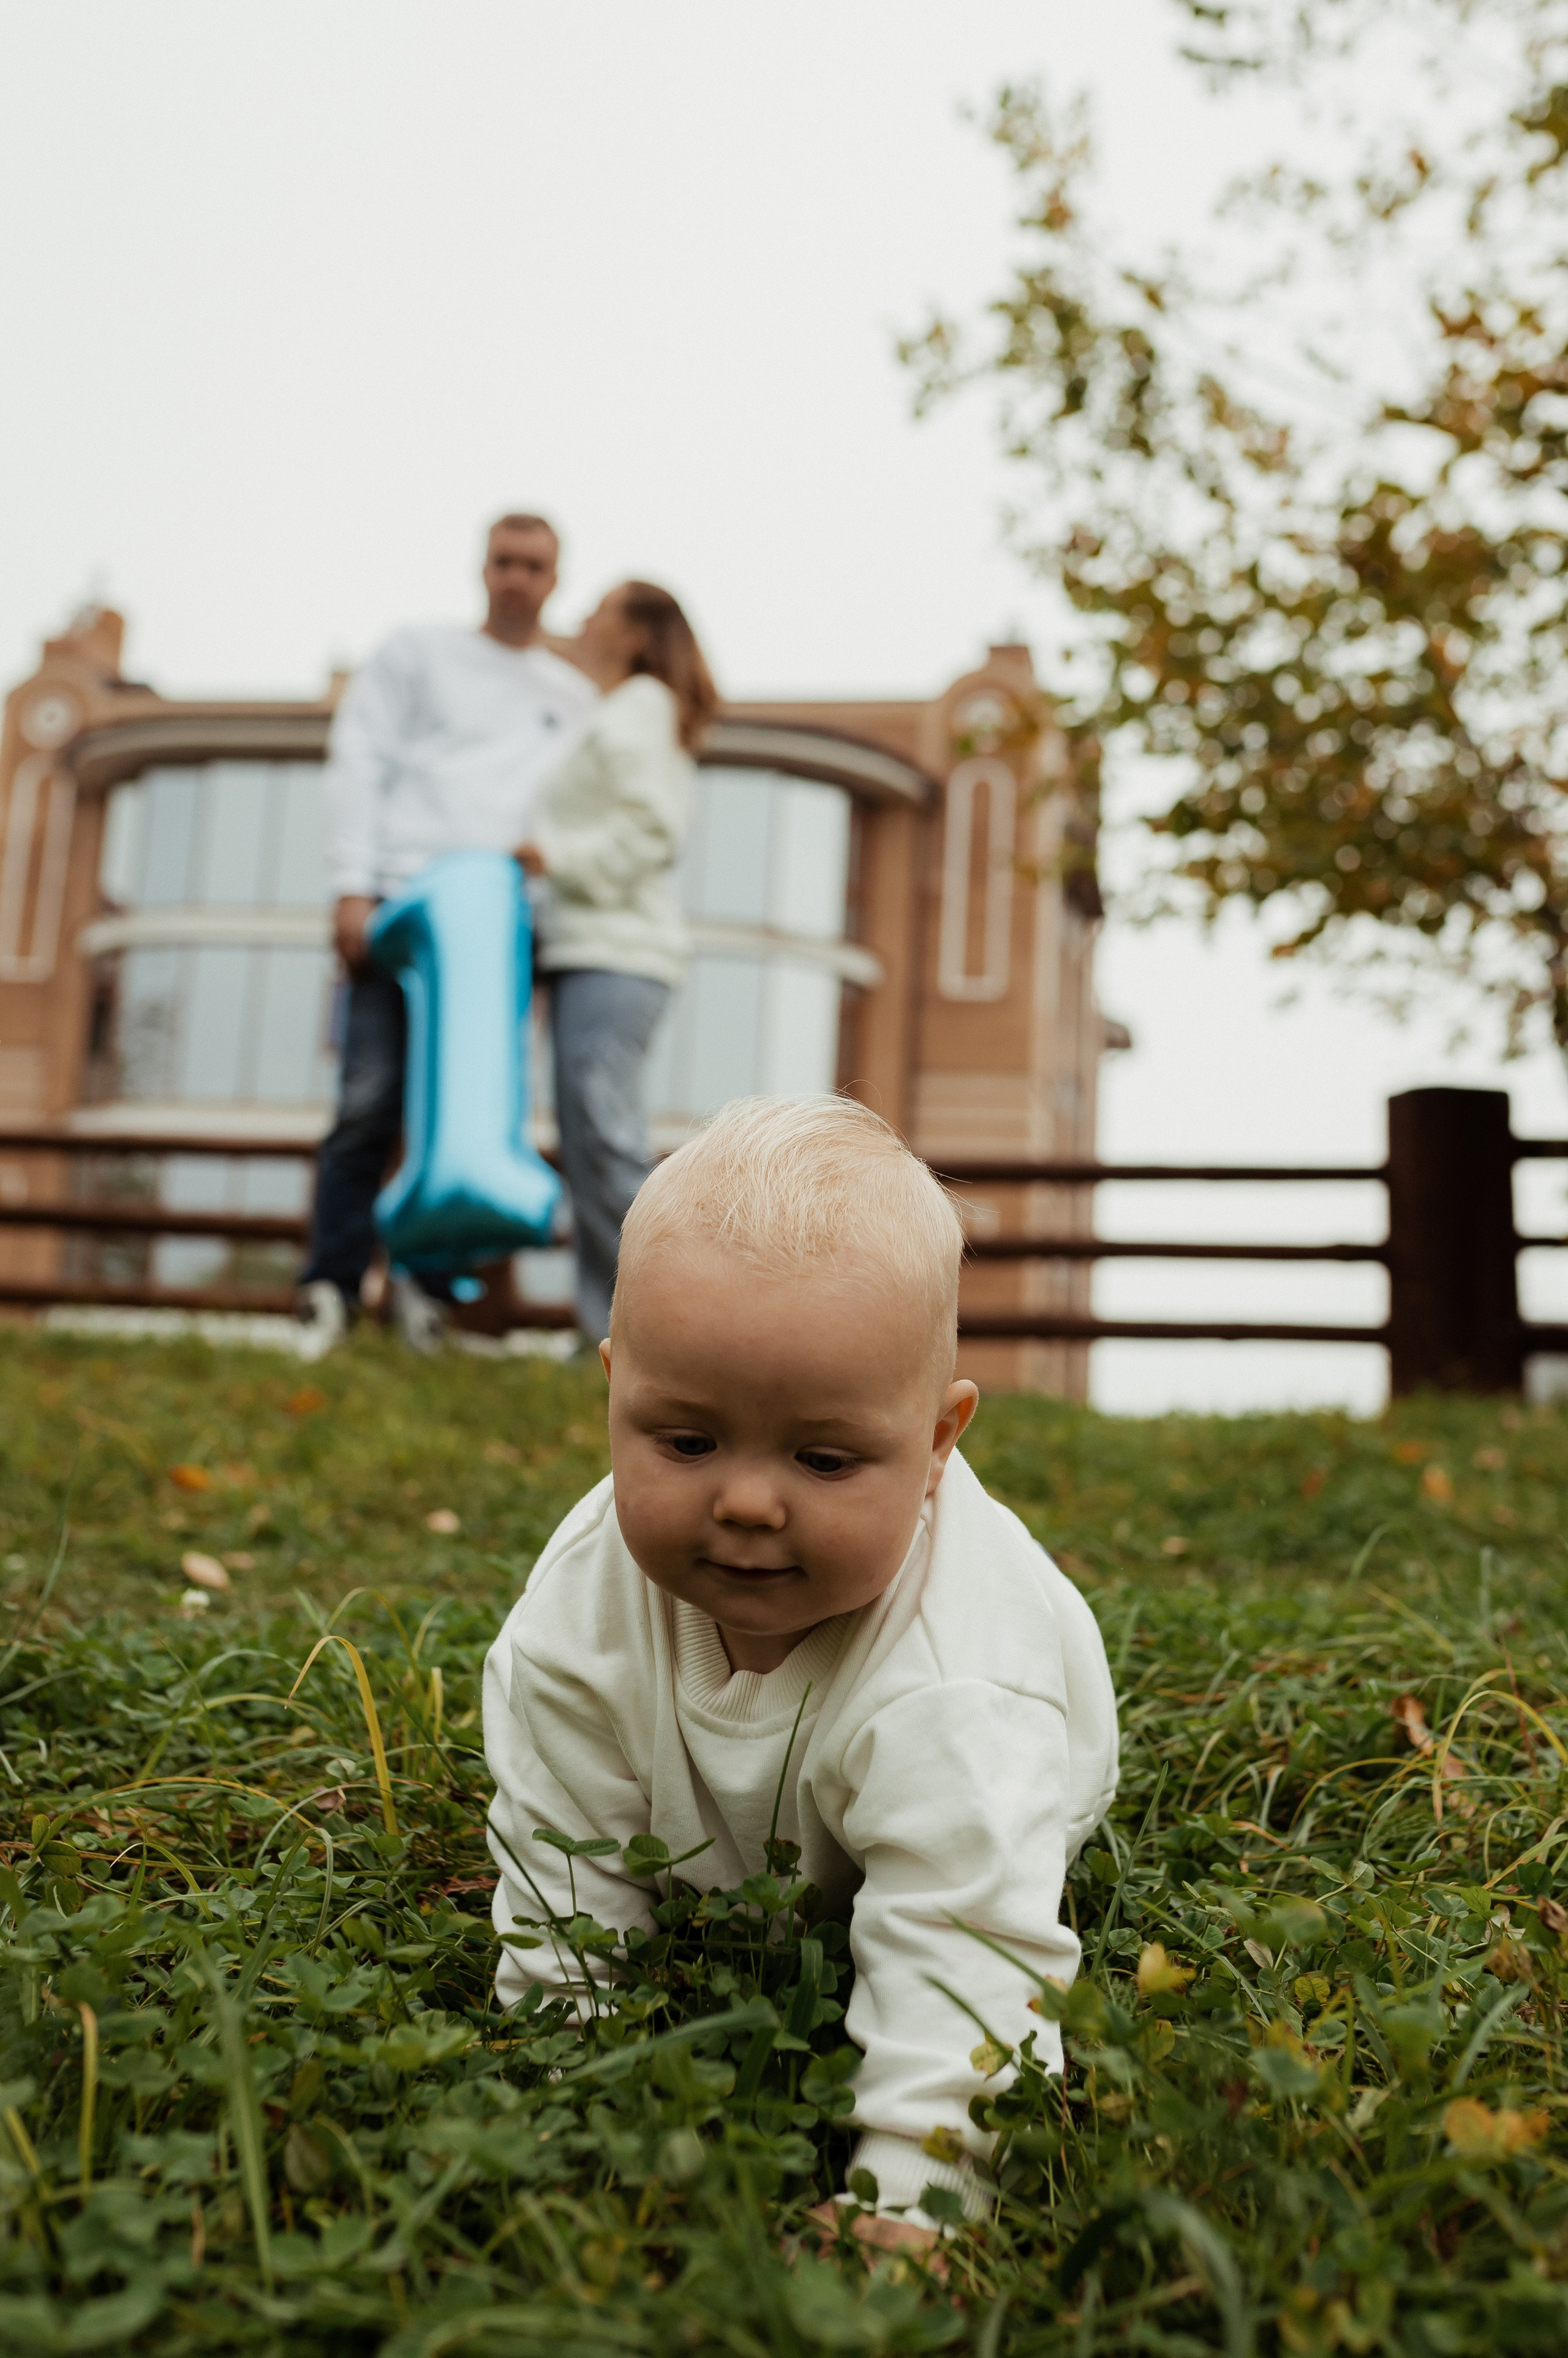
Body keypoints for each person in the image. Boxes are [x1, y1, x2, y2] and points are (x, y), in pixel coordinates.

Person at [483, 1095, 1119, 2251]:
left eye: (823, 1458)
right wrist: (565, 2083)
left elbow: (969, 1951)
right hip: (731, 1829)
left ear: (937, 1442)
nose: (746, 1500)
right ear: (615, 1388)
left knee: (949, 1875)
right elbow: (559, 1866)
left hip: (989, 1801)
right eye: (687, 1441)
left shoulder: (962, 1678)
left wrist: (920, 2191)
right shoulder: (577, 1621)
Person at [296, 513, 598, 1356]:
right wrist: (351, 884)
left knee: (467, 1114)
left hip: (497, 931)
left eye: (533, 565)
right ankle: (328, 1290)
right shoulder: (416, 652)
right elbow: (360, 757)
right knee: (368, 1100)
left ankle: (427, 1299)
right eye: (504, 561)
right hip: (398, 905)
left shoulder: (570, 697)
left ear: (555, 578)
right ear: (482, 567)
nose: (517, 577)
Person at [518, 580, 716, 1343]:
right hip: (589, 952)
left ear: (634, 635)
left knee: (605, 1140)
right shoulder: (622, 710)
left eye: (599, 609)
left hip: (618, 953)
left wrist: (555, 857)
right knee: (588, 1146)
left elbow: (652, 828)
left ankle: (674, 1332)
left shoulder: (640, 707)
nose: (581, 619)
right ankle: (607, 1335)